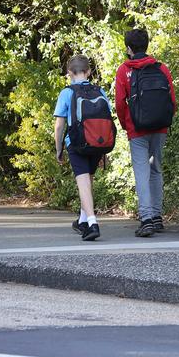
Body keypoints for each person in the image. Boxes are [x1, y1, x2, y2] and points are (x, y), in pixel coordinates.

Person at [115, 28, 176, 237]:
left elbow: (120, 105)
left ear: (129, 48)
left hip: (137, 129)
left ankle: (146, 218)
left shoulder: (124, 70)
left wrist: (126, 125)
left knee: (142, 172)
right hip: (160, 127)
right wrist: (165, 121)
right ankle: (157, 216)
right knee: (156, 169)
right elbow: (172, 100)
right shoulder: (161, 68)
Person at [54, 56, 110, 241]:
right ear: (88, 72)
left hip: (76, 143)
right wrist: (104, 149)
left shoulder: (67, 92)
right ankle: (82, 220)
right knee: (88, 180)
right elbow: (107, 120)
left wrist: (58, 148)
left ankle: (92, 223)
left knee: (83, 182)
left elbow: (59, 124)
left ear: (69, 73)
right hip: (97, 142)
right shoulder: (99, 90)